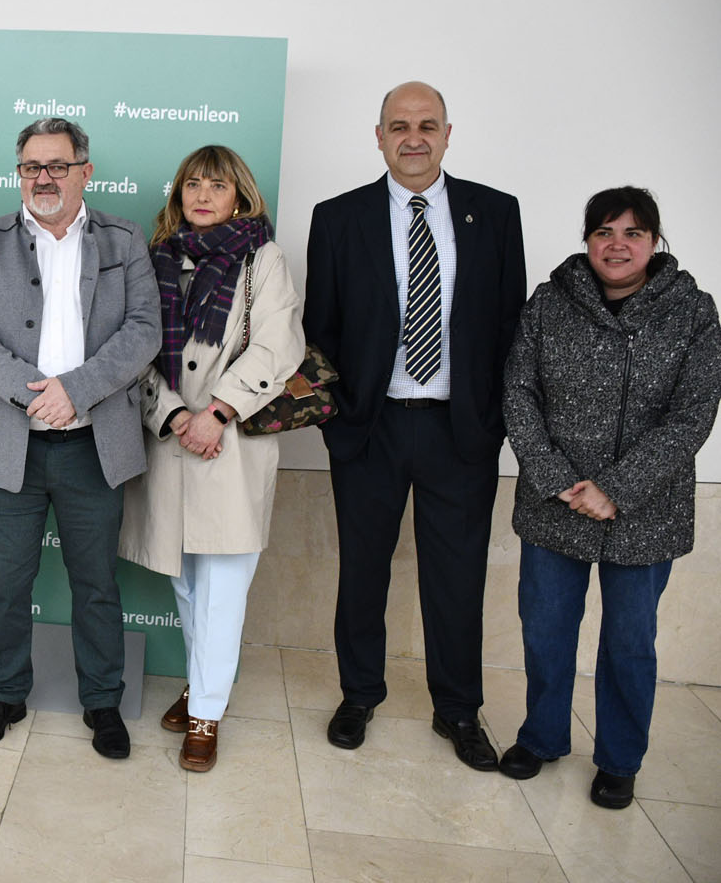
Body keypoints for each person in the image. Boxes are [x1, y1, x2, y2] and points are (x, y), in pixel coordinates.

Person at [303, 81, 525, 770]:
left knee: (457, 578)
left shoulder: (494, 213)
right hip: (371, 429)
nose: (414, 137)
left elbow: (511, 329)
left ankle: (458, 710)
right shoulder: (339, 217)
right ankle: (359, 694)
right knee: (363, 572)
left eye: (427, 124)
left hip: (460, 432)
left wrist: (495, 422)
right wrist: (340, 421)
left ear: (448, 134)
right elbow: (320, 329)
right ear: (378, 137)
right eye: (399, 125)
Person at [499, 186, 721, 808]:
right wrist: (555, 477)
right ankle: (541, 738)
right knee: (545, 632)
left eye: (632, 233)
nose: (616, 244)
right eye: (603, 231)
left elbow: (693, 413)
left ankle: (620, 758)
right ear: (587, 239)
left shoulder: (693, 312)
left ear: (654, 241)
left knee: (629, 642)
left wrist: (617, 490)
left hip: (646, 514)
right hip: (555, 503)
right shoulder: (548, 304)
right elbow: (519, 394)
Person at [0, 117, 160, 759]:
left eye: (57, 166)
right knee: (6, 581)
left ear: (84, 171)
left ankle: (104, 702)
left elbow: (145, 329)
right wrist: (35, 389)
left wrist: (80, 388)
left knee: (96, 583)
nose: (44, 178)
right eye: (31, 167)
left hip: (95, 445)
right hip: (8, 446)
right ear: (19, 173)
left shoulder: (124, 239)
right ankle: (4, 694)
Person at [119, 146, 303, 772]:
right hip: (171, 442)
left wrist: (216, 412)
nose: (202, 195)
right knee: (187, 585)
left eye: (217, 186)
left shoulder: (263, 259)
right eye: (192, 184)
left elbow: (279, 347)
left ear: (240, 197)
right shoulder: (157, 258)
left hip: (233, 444)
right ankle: (202, 686)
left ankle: (207, 713)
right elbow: (136, 345)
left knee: (224, 587)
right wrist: (171, 415)